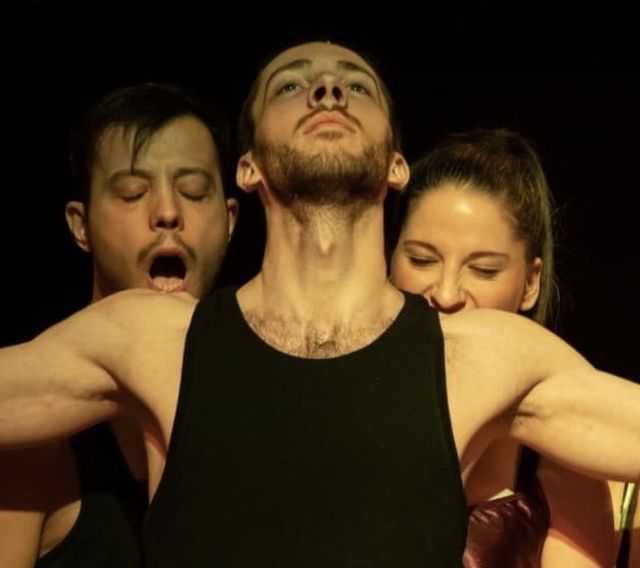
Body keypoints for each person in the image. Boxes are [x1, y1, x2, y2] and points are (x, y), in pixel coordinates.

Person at [0, 42, 639, 567]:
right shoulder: (155, 339)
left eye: (356, 86)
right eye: (291, 85)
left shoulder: (479, 356)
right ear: (248, 167)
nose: (328, 91)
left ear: (396, 166)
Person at [0, 82, 238, 567]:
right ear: (80, 225)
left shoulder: (254, 401)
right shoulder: (34, 437)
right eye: (133, 193)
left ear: (230, 219)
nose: (167, 213)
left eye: (193, 192)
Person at [389, 128, 617, 566]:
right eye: (421, 260)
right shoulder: (342, 401)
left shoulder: (559, 466)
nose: (446, 293)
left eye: (484, 270)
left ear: (530, 283)